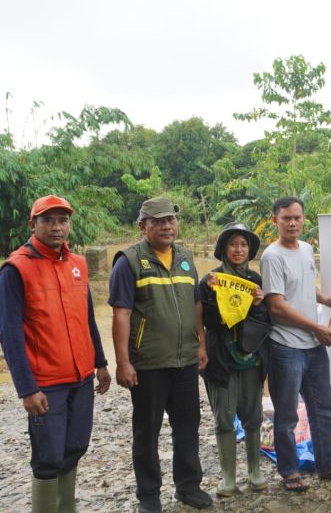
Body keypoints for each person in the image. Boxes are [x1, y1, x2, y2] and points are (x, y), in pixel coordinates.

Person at [0, 195, 111, 513]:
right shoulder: (16, 269)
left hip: (80, 377)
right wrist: (26, 388)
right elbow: (8, 334)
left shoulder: (78, 264)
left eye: (62, 220)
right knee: (48, 456)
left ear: (69, 224)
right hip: (45, 383)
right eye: (47, 220)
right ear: (32, 224)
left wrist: (100, 363)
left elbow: (87, 318)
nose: (56, 227)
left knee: (76, 446)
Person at [109, 196, 212, 513]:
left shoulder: (184, 256)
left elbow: (196, 304)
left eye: (171, 220)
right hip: (149, 364)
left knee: (187, 426)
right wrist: (123, 362)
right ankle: (149, 495)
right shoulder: (128, 261)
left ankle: (188, 486)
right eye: (158, 221)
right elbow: (121, 314)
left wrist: (202, 344)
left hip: (184, 361)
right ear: (143, 226)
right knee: (146, 431)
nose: (167, 226)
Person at [261, 196, 331, 492]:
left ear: (304, 219)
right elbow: (277, 306)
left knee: (322, 409)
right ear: (275, 221)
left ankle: (327, 464)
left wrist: (323, 299)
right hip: (286, 347)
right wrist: (317, 328)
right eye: (286, 218)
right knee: (288, 414)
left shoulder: (306, 249)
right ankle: (290, 471)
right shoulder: (272, 256)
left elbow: (302, 284)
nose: (292, 223)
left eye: (297, 218)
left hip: (312, 347)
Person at [199, 222, 270, 497]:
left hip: (250, 360)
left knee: (253, 416)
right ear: (223, 249)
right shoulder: (210, 280)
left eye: (244, 244)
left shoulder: (255, 281)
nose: (239, 249)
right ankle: (228, 477)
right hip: (221, 359)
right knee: (224, 418)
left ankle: (255, 471)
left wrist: (258, 304)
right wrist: (217, 295)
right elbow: (212, 322)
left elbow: (264, 322)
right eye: (233, 244)